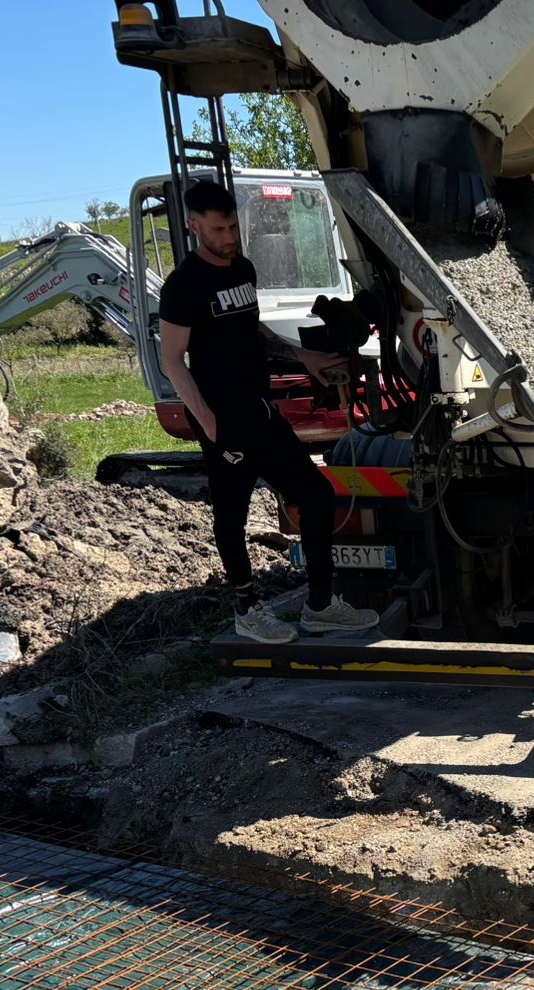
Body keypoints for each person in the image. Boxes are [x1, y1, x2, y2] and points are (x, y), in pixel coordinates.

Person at [158, 179, 377, 644]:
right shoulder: (183, 287)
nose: (230, 237)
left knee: (316, 495)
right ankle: (247, 609)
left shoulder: (243, 270)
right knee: (232, 513)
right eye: (220, 229)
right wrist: (208, 420)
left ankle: (319, 607)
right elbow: (172, 360)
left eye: (234, 226)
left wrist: (307, 357)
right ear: (196, 227)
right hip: (221, 417)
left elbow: (252, 330)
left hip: (259, 409)